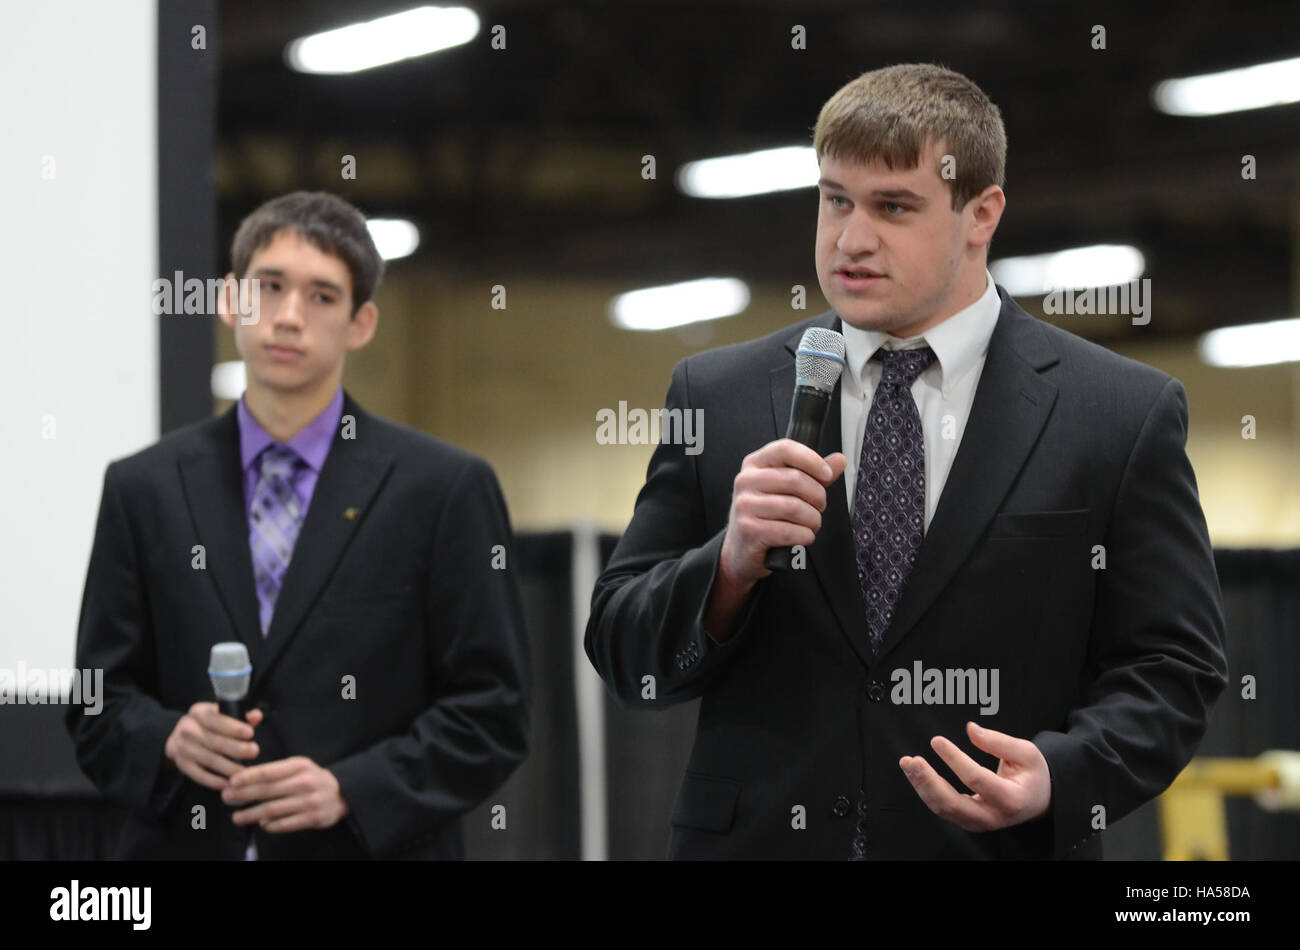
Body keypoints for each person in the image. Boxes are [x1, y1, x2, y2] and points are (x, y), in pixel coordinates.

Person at [585, 64, 1228, 859]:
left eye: (894, 207)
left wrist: (1064, 774)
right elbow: (622, 648)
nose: (852, 238)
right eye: (835, 200)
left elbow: (1173, 666)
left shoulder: (1118, 414)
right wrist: (727, 566)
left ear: (980, 214)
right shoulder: (717, 394)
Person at [67, 191, 530, 859]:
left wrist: (354, 790)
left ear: (361, 322)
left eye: (322, 296)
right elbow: (96, 699)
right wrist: (165, 737)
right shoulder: (144, 487)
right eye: (270, 287)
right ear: (230, 300)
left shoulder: (444, 489)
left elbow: (494, 711)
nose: (288, 317)